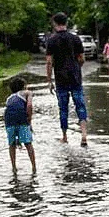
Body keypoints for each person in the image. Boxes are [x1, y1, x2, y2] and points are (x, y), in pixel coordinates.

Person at [44, 12, 88, 146]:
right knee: (80, 105)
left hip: (60, 78)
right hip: (75, 77)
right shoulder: (75, 39)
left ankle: (64, 136)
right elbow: (82, 59)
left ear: (54, 24)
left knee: (63, 108)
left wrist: (49, 80)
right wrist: (76, 67)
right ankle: (84, 135)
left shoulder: (51, 40)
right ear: (66, 23)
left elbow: (49, 62)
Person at [4, 77, 36, 174]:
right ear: (23, 87)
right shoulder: (27, 93)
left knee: (12, 144)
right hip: (22, 119)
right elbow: (29, 106)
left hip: (9, 120)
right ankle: (34, 167)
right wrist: (29, 121)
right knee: (28, 143)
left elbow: (7, 111)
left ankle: (14, 167)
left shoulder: (9, 98)